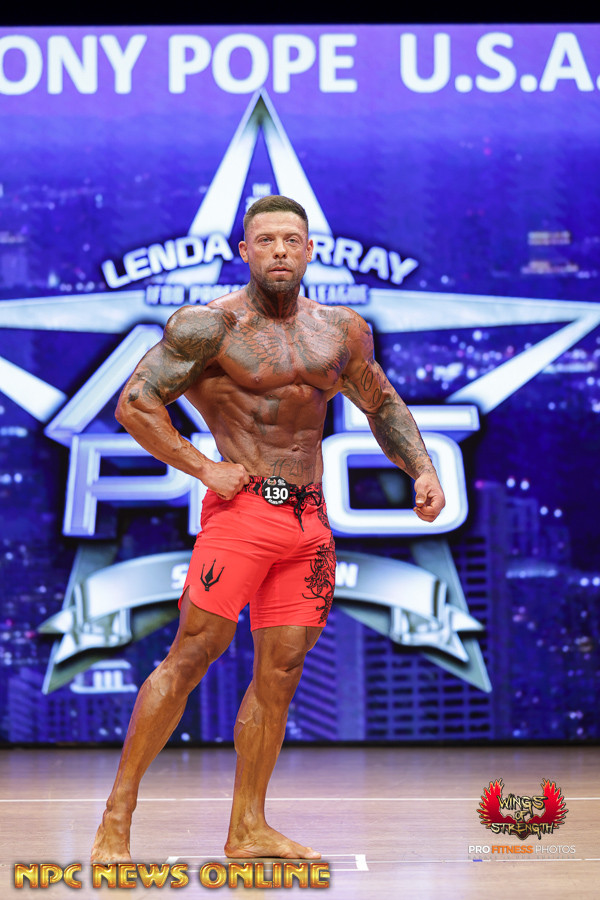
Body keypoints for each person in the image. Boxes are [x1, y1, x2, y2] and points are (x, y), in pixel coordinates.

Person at [91, 194, 445, 863]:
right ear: (244, 250)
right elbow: (136, 404)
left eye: (290, 239)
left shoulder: (341, 331)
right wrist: (204, 467)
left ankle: (248, 827)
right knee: (192, 654)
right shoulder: (210, 327)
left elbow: (381, 403)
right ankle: (117, 815)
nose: (279, 250)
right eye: (265, 240)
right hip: (243, 513)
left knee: (281, 672)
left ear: (309, 250)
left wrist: (421, 468)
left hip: (309, 521)